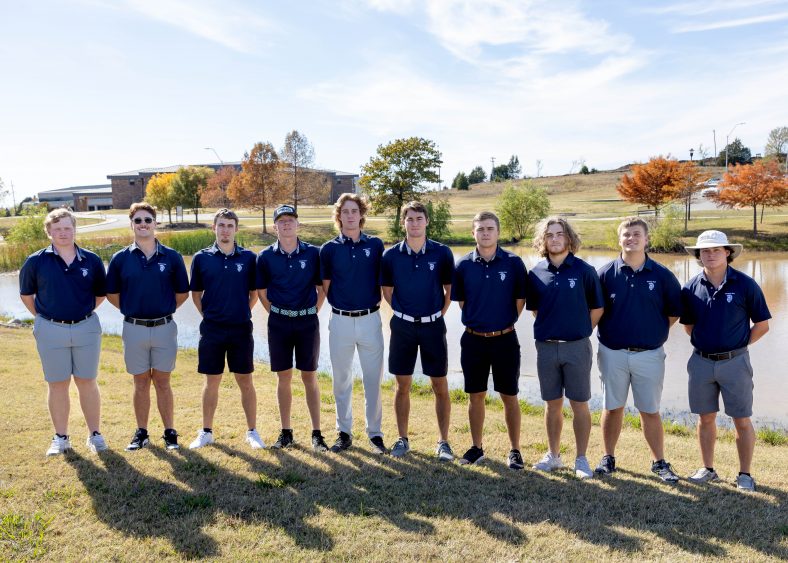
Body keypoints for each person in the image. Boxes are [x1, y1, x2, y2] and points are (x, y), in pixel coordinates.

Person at [680, 230, 770, 491]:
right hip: (701, 363)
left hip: (735, 362)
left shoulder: (745, 284)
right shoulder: (690, 287)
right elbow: (689, 327)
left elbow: (762, 325)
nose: (709, 255)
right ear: (698, 255)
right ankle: (708, 469)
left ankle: (745, 474)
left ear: (727, 253)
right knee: (705, 418)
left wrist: (737, 345)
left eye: (716, 250)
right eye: (704, 251)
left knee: (741, 419)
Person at [594, 217, 682, 482]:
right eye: (626, 235)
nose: (631, 239)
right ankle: (608, 457)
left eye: (636, 234)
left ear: (646, 239)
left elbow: (673, 313)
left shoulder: (663, 275)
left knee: (650, 410)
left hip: (649, 354)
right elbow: (595, 311)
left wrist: (650, 333)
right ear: (619, 239)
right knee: (612, 407)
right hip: (612, 352)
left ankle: (659, 462)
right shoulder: (605, 274)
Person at [19, 208, 108, 456]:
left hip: (86, 328)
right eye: (57, 229)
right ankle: (61, 438)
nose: (63, 233)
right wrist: (44, 318)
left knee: (87, 382)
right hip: (50, 329)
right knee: (57, 384)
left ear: (74, 229)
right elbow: (27, 295)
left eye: (67, 228)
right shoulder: (35, 261)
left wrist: (81, 312)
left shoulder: (91, 259)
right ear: (49, 232)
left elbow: (100, 294)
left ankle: (95, 435)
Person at [106, 202, 189, 451]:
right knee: (140, 382)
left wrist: (162, 308)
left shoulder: (172, 257)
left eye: (148, 220)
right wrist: (133, 309)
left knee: (163, 381)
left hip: (164, 327)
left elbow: (182, 293)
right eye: (138, 221)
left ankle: (169, 432)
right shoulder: (120, 258)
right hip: (134, 328)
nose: (143, 224)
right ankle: (141, 433)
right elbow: (112, 294)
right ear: (131, 224)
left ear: (155, 223)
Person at [526, 216, 604, 479]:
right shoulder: (536, 272)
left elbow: (597, 308)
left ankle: (581, 459)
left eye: (560, 234)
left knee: (580, 403)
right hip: (546, 347)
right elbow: (536, 310)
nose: (555, 239)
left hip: (577, 347)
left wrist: (580, 331)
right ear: (543, 241)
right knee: (551, 403)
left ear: (569, 238)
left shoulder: (584, 271)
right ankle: (554, 455)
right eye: (549, 235)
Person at [451, 211, 527, 468]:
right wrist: (482, 323)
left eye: (490, 229)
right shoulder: (463, 266)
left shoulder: (514, 263)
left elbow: (519, 302)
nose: (485, 233)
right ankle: (476, 446)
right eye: (480, 229)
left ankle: (515, 450)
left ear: (498, 232)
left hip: (505, 339)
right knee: (476, 395)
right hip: (473, 340)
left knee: (509, 395)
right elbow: (463, 303)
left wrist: (500, 324)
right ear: (473, 232)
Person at [381, 201, 454, 460]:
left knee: (440, 384)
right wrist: (405, 313)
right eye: (409, 219)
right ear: (403, 223)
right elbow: (387, 292)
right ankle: (402, 439)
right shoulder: (390, 256)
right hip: (402, 327)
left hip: (433, 326)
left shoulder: (442, 253)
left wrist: (435, 315)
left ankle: (443, 442)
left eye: (418, 218)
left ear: (426, 222)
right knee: (402, 385)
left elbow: (449, 290)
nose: (414, 223)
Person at [188, 209, 265, 450]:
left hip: (241, 328)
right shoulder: (201, 258)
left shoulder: (248, 258)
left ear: (236, 229)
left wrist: (242, 311)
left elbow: (254, 294)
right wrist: (210, 315)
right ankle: (207, 431)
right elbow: (196, 294)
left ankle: (252, 431)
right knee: (212, 381)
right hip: (212, 330)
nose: (225, 230)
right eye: (221, 225)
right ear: (214, 228)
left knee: (245, 380)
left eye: (230, 225)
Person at [256, 204, 328, 451]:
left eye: (291, 220)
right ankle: (286, 432)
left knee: (309, 376)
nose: (286, 224)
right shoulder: (265, 256)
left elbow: (322, 289)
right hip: (279, 323)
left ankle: (317, 434)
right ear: (275, 225)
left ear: (298, 224)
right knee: (283, 376)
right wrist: (278, 313)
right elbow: (262, 293)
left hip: (307, 321)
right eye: (281, 221)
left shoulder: (313, 253)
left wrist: (311, 311)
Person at [319, 193, 387, 454]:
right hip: (341, 321)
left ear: (361, 215)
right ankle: (344, 432)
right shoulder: (329, 249)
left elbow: (383, 282)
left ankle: (375, 434)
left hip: (370, 319)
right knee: (342, 380)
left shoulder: (376, 245)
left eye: (354, 211)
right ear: (339, 216)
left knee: (373, 379)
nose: (350, 216)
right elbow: (326, 287)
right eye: (345, 211)